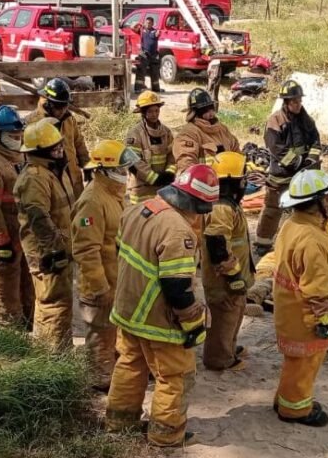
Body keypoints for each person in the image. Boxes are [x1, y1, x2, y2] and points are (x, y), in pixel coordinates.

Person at [106, 165, 219, 447]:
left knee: (130, 365)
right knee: (174, 376)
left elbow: (121, 252)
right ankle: (166, 435)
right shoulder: (178, 231)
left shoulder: (139, 208)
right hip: (157, 320)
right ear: (194, 203)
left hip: (127, 310)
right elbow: (177, 289)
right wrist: (194, 325)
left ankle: (120, 422)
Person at [273, 169, 328, 427]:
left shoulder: (292, 225)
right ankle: (295, 410)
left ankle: (285, 398)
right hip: (307, 318)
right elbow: (317, 286)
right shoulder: (311, 239)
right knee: (304, 366)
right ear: (319, 203)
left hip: (291, 311)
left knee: (294, 363)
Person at [72, 140, 138, 392]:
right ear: (103, 170)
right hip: (99, 285)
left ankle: (113, 373)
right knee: (100, 334)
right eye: (121, 169)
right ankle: (99, 382)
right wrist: (99, 287)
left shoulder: (113, 195)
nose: (125, 174)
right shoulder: (92, 201)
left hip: (115, 280)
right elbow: (86, 250)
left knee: (113, 332)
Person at [14, 120, 75, 350]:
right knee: (53, 305)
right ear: (40, 151)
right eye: (54, 148)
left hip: (59, 249)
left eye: (60, 145)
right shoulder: (35, 178)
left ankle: (55, 349)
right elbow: (39, 219)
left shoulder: (54, 171)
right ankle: (52, 356)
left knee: (59, 303)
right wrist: (54, 251)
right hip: (47, 254)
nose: (60, 150)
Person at [254, 80, 321, 257]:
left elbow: (316, 143)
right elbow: (275, 147)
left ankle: (301, 242)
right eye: (294, 101)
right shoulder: (275, 121)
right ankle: (263, 243)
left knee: (304, 210)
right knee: (272, 209)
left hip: (303, 174)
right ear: (286, 102)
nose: (298, 104)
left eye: (299, 100)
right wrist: (297, 162)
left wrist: (310, 161)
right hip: (281, 175)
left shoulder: (307, 120)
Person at [201, 152, 254, 372]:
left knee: (234, 314)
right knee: (224, 316)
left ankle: (229, 347)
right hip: (224, 279)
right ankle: (219, 358)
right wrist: (232, 276)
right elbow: (217, 244)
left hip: (234, 275)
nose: (245, 181)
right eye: (242, 177)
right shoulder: (222, 207)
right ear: (232, 180)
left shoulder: (228, 203)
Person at [0, 106, 33, 328]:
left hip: (22, 233)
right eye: (12, 136)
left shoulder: (20, 157)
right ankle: (9, 337)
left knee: (27, 285)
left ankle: (28, 325)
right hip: (3, 237)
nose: (17, 139)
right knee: (5, 287)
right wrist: (0, 241)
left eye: (19, 135)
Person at [26, 78, 89, 199]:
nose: (63, 111)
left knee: (81, 217)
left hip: (74, 179)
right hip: (51, 183)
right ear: (48, 103)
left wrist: (87, 165)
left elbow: (78, 142)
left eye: (65, 106)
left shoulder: (69, 119)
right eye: (59, 107)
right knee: (61, 215)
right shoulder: (33, 123)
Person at [125, 91, 176, 204]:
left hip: (163, 188)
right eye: (150, 111)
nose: (154, 114)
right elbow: (132, 162)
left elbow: (172, 155)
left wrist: (169, 173)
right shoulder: (135, 134)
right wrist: (153, 178)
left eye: (156, 110)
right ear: (143, 113)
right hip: (141, 190)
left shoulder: (166, 132)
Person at [173, 88, 240, 174]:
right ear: (195, 113)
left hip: (227, 179)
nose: (211, 114)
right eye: (205, 111)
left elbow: (236, 151)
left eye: (212, 109)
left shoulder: (222, 129)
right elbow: (186, 163)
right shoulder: (188, 133)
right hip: (202, 183)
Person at [136, 16, 161, 93]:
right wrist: (139, 24)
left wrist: (158, 33)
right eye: (146, 22)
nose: (148, 24)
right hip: (144, 54)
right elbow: (132, 27)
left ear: (152, 24)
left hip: (153, 54)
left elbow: (157, 34)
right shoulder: (141, 30)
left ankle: (155, 89)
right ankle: (138, 88)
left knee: (155, 72)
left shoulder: (154, 31)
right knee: (141, 71)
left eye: (149, 23)